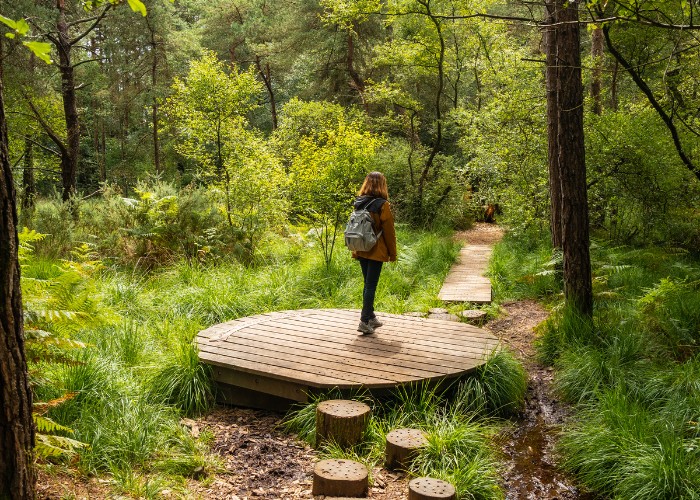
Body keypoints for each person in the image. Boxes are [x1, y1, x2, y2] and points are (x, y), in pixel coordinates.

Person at [351, 172, 397, 335]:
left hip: (361, 247)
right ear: (382, 185)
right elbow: (389, 232)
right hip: (376, 250)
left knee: (367, 284)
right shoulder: (382, 205)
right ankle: (364, 321)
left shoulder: (359, 202)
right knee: (371, 285)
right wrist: (393, 254)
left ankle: (371, 317)